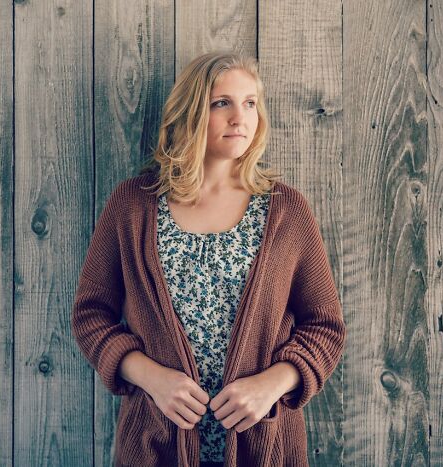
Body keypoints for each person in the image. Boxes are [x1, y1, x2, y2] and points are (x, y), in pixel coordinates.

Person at [71, 50, 346, 467]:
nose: (240, 118)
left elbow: (325, 327)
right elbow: (91, 315)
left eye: (250, 103)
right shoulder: (133, 206)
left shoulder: (286, 211)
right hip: (155, 444)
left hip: (263, 445)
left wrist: (271, 385)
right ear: (190, 111)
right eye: (222, 103)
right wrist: (153, 379)